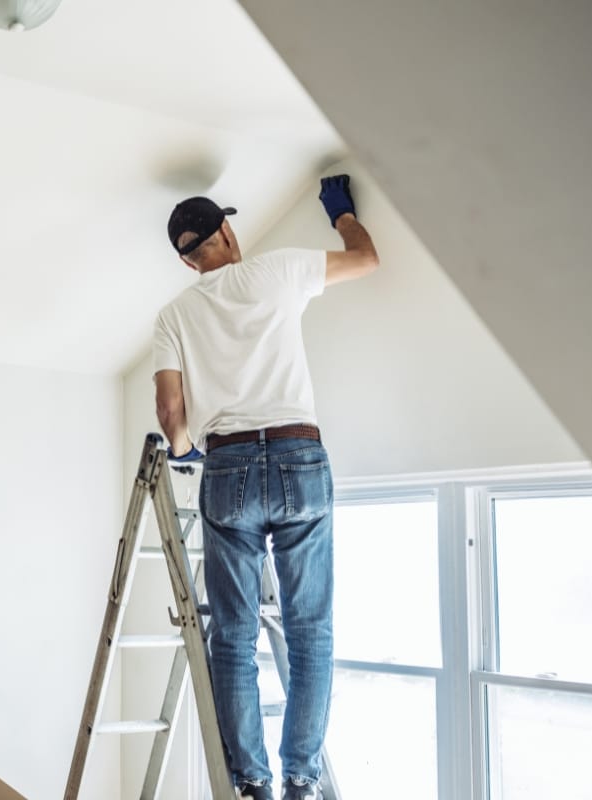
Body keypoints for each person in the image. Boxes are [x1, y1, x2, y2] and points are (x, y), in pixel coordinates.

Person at [152, 176, 378, 800]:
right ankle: (301, 778)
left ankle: (251, 780)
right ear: (227, 232)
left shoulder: (174, 314)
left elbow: (171, 414)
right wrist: (343, 214)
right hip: (299, 455)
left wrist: (185, 451)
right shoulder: (276, 271)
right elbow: (366, 259)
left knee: (233, 635)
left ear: (186, 258)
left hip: (226, 468)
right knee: (310, 630)